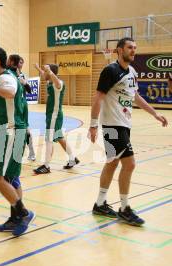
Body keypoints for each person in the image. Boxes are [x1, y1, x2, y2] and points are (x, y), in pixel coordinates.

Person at [89, 37, 168, 226]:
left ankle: (100, 203)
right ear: (119, 50)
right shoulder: (111, 71)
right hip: (112, 125)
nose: (133, 50)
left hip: (124, 124)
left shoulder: (132, 72)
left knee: (112, 164)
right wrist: (92, 125)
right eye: (129, 47)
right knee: (130, 164)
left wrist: (155, 114)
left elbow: (137, 97)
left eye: (135, 48)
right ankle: (124, 208)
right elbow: (98, 98)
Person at [0, 47, 35, 236]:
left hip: (10, 133)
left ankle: (23, 214)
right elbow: (4, 100)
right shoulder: (5, 77)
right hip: (16, 131)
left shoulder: (5, 77)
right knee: (10, 179)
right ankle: (15, 219)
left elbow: (11, 92)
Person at [33, 63, 79, 174]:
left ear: (50, 72)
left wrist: (49, 71)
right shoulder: (50, 81)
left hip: (54, 116)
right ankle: (73, 158)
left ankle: (46, 166)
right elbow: (45, 75)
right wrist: (39, 68)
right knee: (59, 137)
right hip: (52, 115)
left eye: (46, 71)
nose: (43, 74)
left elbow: (57, 82)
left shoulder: (58, 83)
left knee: (49, 139)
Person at [7, 54, 36, 161]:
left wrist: (24, 82)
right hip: (16, 104)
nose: (21, 65)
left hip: (20, 105)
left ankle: (29, 152)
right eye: (19, 63)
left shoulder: (19, 75)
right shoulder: (10, 73)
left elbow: (29, 90)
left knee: (21, 128)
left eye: (22, 63)